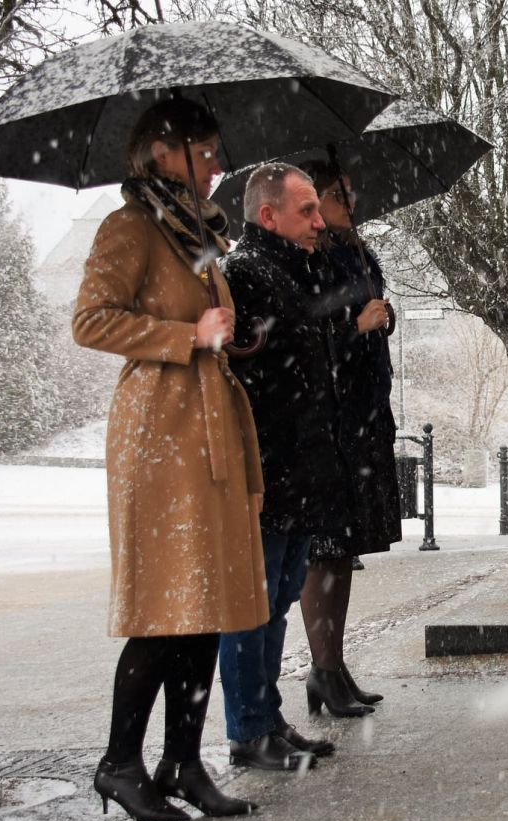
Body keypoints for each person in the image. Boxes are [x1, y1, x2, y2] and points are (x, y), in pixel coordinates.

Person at [73, 99, 266, 821]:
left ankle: (182, 759)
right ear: (161, 151)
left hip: (209, 424)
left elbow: (214, 323)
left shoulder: (200, 231)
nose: (216, 162)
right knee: (166, 607)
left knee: (205, 603)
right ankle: (120, 760)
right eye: (205, 150)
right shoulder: (130, 227)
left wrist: (227, 333)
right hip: (160, 431)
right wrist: (187, 333)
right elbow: (91, 319)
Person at [216, 162, 351, 770]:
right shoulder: (245, 272)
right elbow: (254, 374)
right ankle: (248, 730)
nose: (318, 221)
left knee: (277, 603)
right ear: (267, 214)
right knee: (254, 604)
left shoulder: (291, 268)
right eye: (306, 211)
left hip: (300, 466)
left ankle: (267, 718)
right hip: (270, 467)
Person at [296, 159, 402, 716]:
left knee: (345, 552)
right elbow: (306, 331)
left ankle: (334, 668)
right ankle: (324, 669)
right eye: (336, 192)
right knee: (326, 550)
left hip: (363, 411)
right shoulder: (311, 257)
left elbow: (365, 312)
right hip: (331, 416)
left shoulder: (357, 249)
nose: (350, 198)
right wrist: (354, 326)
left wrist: (385, 317)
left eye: (347, 190)